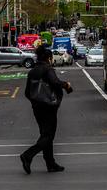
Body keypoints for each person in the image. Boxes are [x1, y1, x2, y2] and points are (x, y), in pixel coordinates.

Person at [20, 46, 72, 174]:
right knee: (49, 136)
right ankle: (28, 155)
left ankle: (50, 163)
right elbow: (55, 82)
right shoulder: (47, 69)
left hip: (37, 108)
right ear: (48, 58)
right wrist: (66, 85)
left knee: (45, 134)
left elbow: (27, 93)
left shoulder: (32, 72)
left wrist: (35, 101)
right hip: (48, 107)